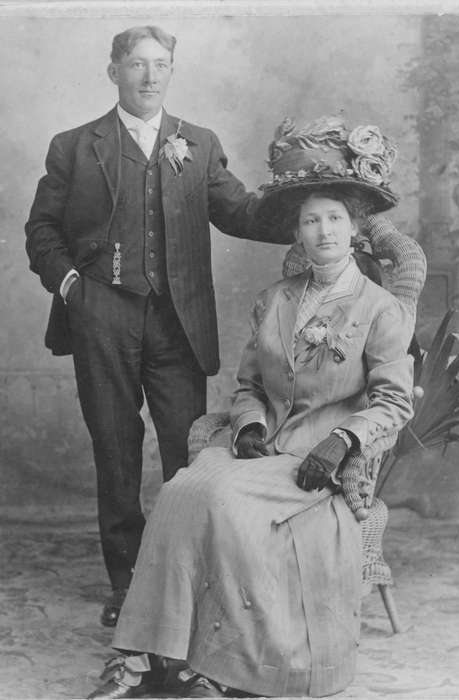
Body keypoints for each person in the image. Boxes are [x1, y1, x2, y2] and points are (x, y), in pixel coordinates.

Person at [86, 116, 426, 699]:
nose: (323, 231)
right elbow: (248, 384)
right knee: (180, 490)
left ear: (354, 231)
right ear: (297, 233)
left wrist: (342, 442)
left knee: (224, 503)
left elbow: (394, 403)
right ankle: (140, 656)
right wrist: (246, 424)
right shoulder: (275, 300)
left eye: (335, 219)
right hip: (261, 445)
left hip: (319, 460)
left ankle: (214, 669)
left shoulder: (380, 309)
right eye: (310, 220)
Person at [24, 25, 294, 627]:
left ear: (172, 71)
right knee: (115, 451)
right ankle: (127, 587)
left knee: (188, 453)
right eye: (137, 64)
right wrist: (74, 289)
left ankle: (185, 585)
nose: (150, 76)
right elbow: (41, 232)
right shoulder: (73, 146)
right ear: (113, 70)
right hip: (102, 319)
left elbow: (242, 211)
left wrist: (309, 205)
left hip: (177, 322)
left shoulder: (197, 142)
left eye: (161, 64)